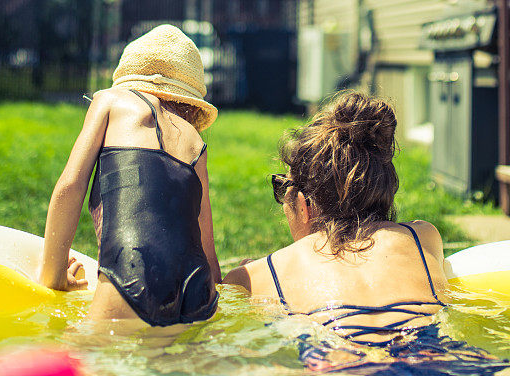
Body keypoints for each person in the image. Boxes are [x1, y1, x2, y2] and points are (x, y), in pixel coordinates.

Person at [224, 91, 508, 373]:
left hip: (339, 361)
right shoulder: (423, 238)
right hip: (436, 356)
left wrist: (252, 275)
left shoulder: (256, 277)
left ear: (303, 202)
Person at [38, 23, 222, 327]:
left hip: (132, 274)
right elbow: (206, 240)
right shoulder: (195, 140)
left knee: (86, 361)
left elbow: (71, 186)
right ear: (190, 100)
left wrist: (53, 274)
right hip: (198, 291)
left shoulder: (111, 102)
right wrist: (217, 283)